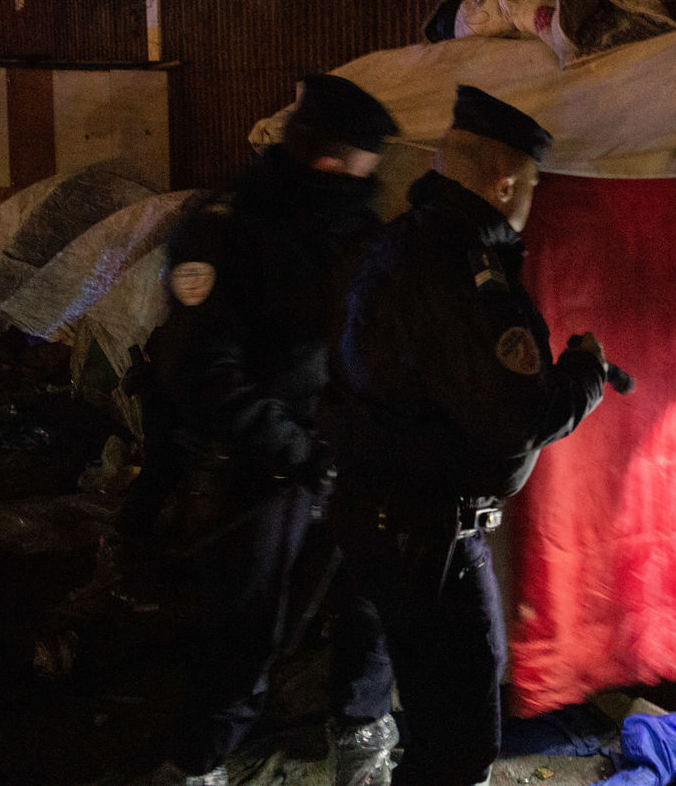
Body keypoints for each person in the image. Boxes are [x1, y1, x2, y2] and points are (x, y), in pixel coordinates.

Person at [333, 84, 610, 786]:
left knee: (439, 720)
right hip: (428, 536)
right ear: (505, 183)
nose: (531, 202)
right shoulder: (464, 268)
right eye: (533, 187)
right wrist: (585, 373)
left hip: (386, 518)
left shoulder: (402, 239)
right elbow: (514, 418)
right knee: (456, 742)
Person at [136, 74, 402, 786]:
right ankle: (199, 761)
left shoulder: (353, 227)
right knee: (247, 627)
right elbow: (202, 371)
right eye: (360, 168)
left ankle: (362, 729)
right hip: (256, 466)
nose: (367, 185)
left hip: (344, 451)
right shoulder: (225, 229)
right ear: (328, 160)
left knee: (371, 598)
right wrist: (294, 450)